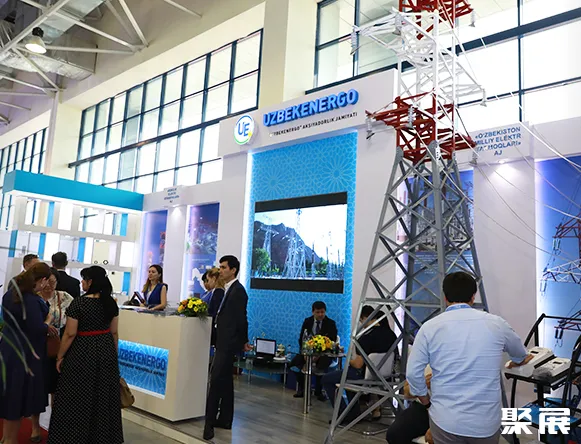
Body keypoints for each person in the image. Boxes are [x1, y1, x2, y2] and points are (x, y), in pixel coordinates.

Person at [406, 272, 533, 444]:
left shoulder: (429, 328)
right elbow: (521, 355)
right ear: (473, 296)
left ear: (445, 297)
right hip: (485, 423)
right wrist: (518, 360)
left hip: (445, 421)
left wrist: (426, 402)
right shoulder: (497, 324)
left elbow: (413, 374)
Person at [47, 265, 123, 444]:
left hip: (82, 350)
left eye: (84, 279)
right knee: (103, 395)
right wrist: (113, 354)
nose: (82, 282)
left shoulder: (79, 303)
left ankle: (74, 436)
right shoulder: (110, 303)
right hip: (105, 349)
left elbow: (70, 333)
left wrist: (60, 356)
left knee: (77, 395)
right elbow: (114, 332)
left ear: (91, 281)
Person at [0, 262, 57, 444]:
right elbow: (36, 328)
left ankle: (6, 438)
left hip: (8, 349)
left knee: (10, 398)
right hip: (24, 354)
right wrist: (47, 322)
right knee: (17, 401)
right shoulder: (30, 300)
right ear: (43, 280)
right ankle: (10, 440)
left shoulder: (10, 295)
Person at [321, 305, 396, 424]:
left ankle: (343, 414)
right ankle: (353, 413)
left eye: (361, 320)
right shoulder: (392, 335)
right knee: (348, 375)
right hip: (385, 377)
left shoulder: (366, 337)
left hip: (364, 376)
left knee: (327, 379)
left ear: (364, 318)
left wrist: (348, 358)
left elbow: (358, 364)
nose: (362, 323)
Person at [204, 255, 251, 441]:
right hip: (222, 341)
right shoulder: (227, 290)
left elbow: (241, 319)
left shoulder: (238, 291)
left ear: (233, 270)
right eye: (220, 267)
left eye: (224, 267)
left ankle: (208, 425)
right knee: (224, 382)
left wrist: (244, 341)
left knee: (215, 381)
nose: (220, 270)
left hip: (228, 344)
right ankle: (225, 419)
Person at [39, 268, 74, 405]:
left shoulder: (64, 297)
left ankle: (55, 416)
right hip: (37, 344)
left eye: (52, 282)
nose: (49, 285)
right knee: (38, 387)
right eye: (46, 281)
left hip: (56, 345)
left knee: (56, 386)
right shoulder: (34, 297)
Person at [290, 301, 338, 401]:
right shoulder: (307, 321)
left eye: (322, 312)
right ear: (313, 312)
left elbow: (332, 342)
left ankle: (318, 391)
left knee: (322, 365)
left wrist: (318, 355)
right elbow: (302, 339)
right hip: (307, 352)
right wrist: (304, 353)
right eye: (317, 312)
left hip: (324, 354)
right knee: (294, 362)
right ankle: (303, 389)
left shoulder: (331, 323)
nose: (320, 314)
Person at [385, 368, 432, 444]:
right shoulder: (422, 364)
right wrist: (421, 386)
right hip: (423, 407)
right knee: (394, 434)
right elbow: (406, 392)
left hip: (447, 410)